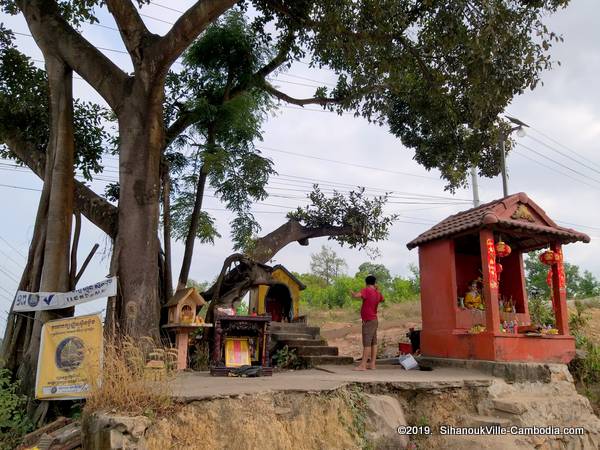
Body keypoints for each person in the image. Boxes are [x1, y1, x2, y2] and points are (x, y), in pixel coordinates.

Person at [351, 275, 384, 370]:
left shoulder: (366, 290)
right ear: (374, 283)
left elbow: (357, 296)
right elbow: (382, 299)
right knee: (374, 343)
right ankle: (372, 364)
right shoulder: (377, 292)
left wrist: (353, 294)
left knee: (367, 343)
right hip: (374, 320)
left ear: (366, 283)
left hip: (368, 321)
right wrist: (377, 289)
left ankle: (363, 365)